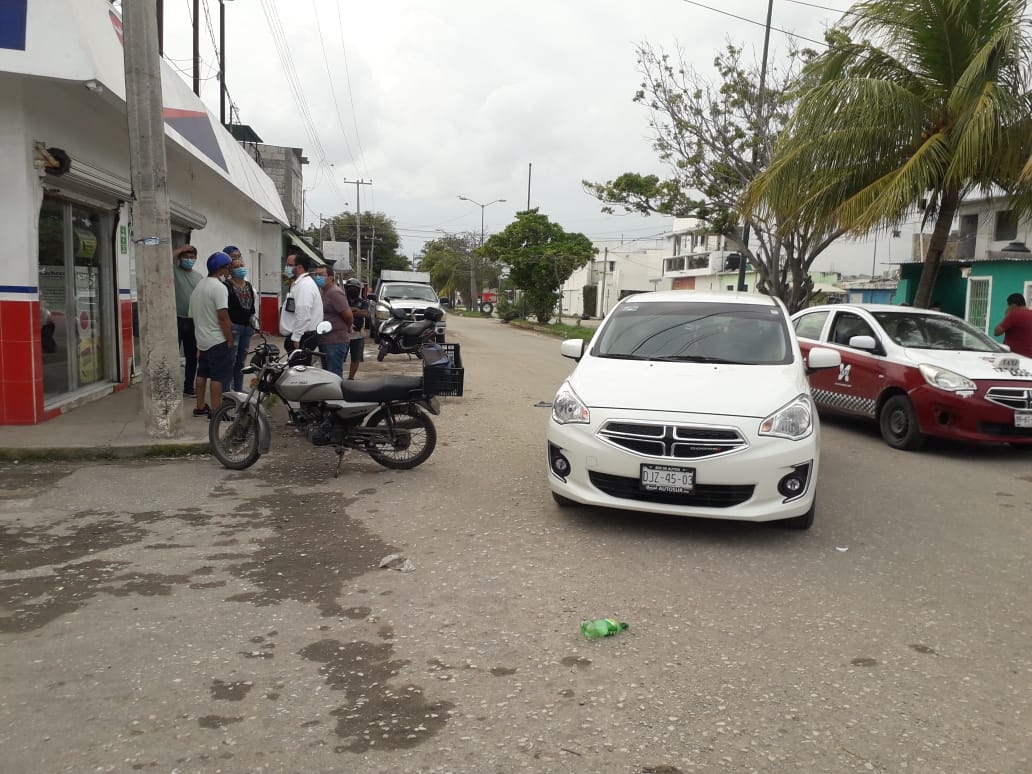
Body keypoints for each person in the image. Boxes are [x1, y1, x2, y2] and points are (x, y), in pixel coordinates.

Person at [188, 252, 235, 417]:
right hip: (217, 339)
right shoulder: (219, 288)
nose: (229, 271)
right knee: (218, 377)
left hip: (202, 339)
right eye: (228, 268)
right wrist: (229, 339)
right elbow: (223, 316)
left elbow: (192, 315)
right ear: (221, 269)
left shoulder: (199, 286)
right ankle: (217, 411)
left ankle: (200, 407)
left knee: (202, 374)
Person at [223, 246, 257, 392]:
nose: (240, 269)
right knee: (230, 361)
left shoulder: (248, 285)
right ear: (230, 270)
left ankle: (238, 390)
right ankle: (228, 391)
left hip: (247, 328)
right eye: (236, 267)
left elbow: (251, 307)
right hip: (234, 327)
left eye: (242, 266)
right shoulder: (226, 286)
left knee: (241, 361)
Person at [278, 252, 323, 355]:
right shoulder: (300, 284)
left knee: (299, 368)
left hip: (303, 338)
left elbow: (303, 313)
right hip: (301, 336)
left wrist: (296, 337)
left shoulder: (304, 286)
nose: (286, 268)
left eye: (289, 265)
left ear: (299, 267)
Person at [173, 243, 203, 396]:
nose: (189, 259)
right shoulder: (174, 271)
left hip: (193, 321)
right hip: (176, 320)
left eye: (192, 257)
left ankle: (188, 387)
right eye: (186, 257)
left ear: (196, 258)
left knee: (192, 357)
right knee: (172, 356)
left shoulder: (199, 277)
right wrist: (181, 249)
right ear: (180, 258)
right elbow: (163, 260)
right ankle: (169, 387)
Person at [313, 266, 354, 377]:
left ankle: (339, 394)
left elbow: (348, 315)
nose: (317, 277)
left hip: (335, 341)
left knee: (334, 375)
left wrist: (348, 327)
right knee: (327, 375)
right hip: (325, 340)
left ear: (331, 278)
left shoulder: (334, 292)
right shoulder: (322, 292)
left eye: (321, 275)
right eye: (316, 275)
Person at [344, 277, 369, 380]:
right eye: (351, 287)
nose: (353, 289)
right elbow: (341, 312)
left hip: (358, 334)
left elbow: (364, 313)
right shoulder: (342, 300)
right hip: (343, 333)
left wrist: (349, 311)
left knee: (356, 357)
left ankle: (351, 378)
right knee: (340, 356)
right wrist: (355, 310)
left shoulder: (364, 302)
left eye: (355, 288)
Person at [993, 293, 1032, 357]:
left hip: (1015, 356)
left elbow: (997, 332)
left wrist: (1006, 317)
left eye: (1008, 306)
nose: (1007, 308)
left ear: (1013, 305)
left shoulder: (1014, 315)